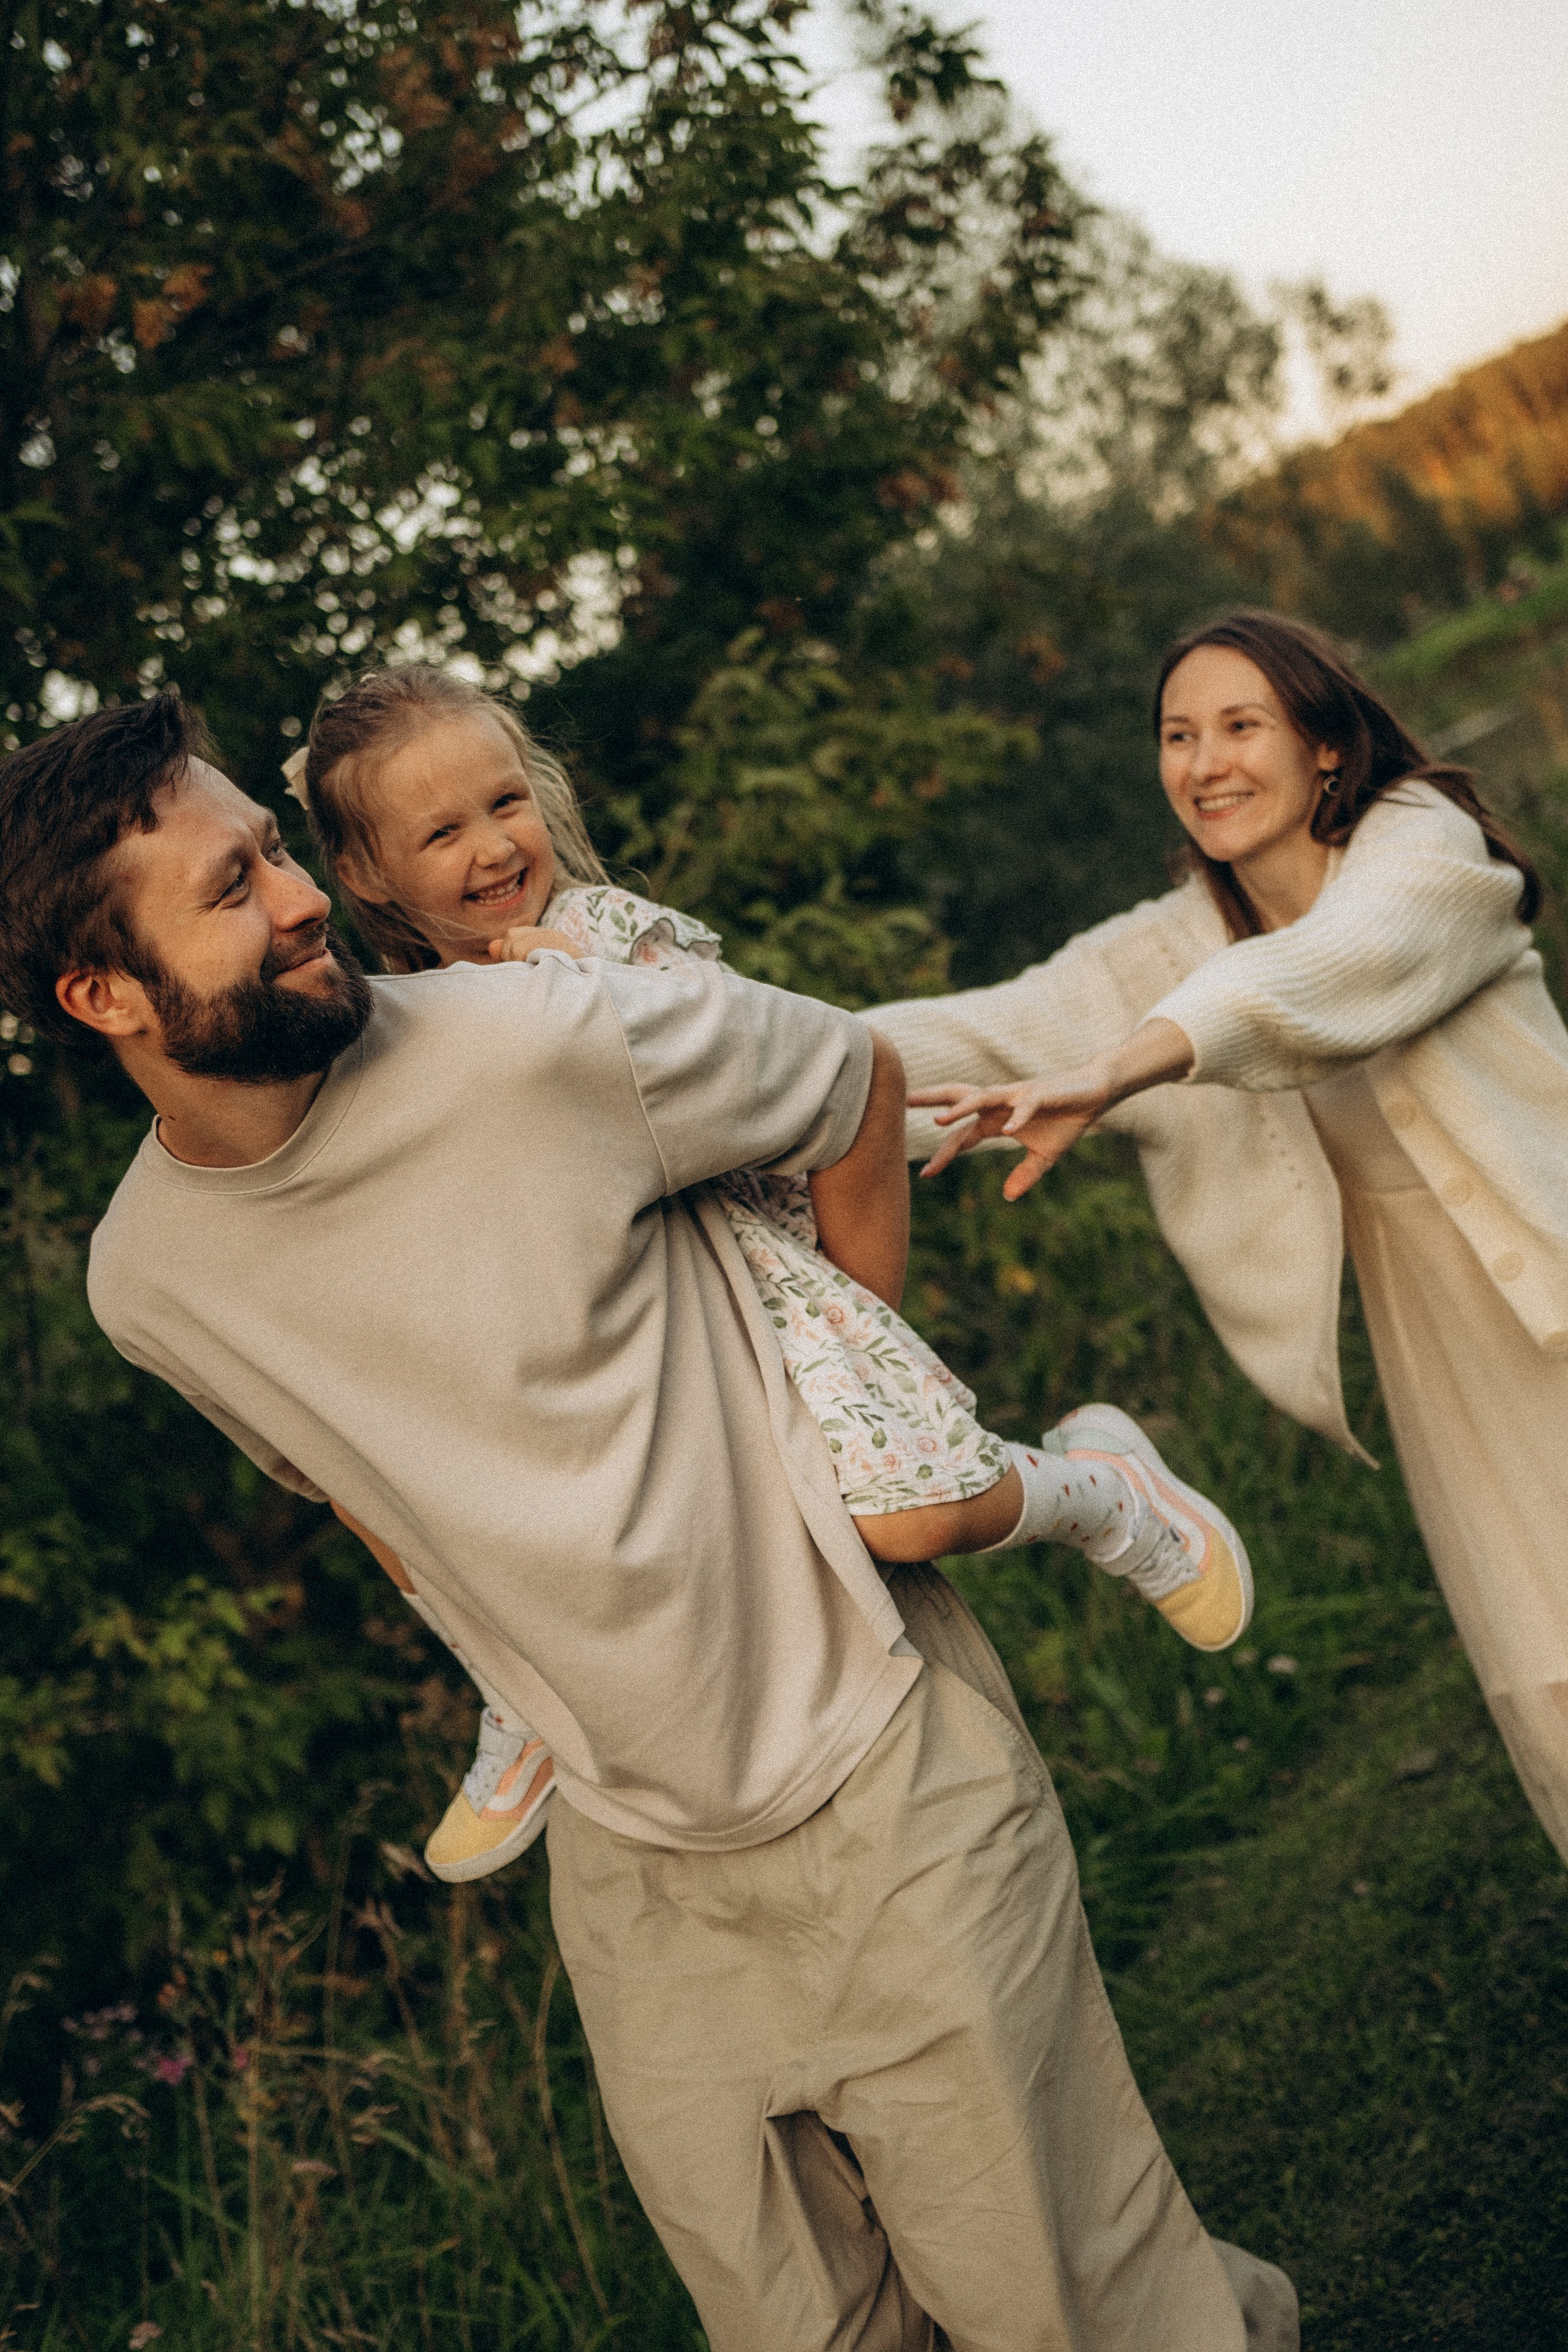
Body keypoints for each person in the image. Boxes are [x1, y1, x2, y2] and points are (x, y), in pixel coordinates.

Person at [0, 692, 1298, 2351]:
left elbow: (857, 1086)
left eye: (275, 847)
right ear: (104, 994)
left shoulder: (547, 1034)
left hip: (878, 1761)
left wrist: (854, 1389)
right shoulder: (142, 1284)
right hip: (635, 1876)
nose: (305, 895)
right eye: (233, 886)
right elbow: (364, 1496)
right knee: (803, 2330)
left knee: (1064, 2304)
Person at [283, 663, 1252, 1884]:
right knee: (438, 1483)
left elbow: (770, 1051)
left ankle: (1102, 1491)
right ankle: (517, 1685)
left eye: (504, 802)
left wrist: (576, 996)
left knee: (911, 1520)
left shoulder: (592, 936)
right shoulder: (393, 1022)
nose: (492, 846)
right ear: (365, 872)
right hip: (579, 1319)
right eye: (441, 830)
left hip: (752, 1270)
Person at [869, 607, 1568, 1866]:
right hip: (1453, 1362)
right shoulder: (1165, 945)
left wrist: (1125, 1066)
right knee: (1547, 1677)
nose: (1203, 763)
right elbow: (978, 1032)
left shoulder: (1423, 845)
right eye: (1175, 736)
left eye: (1239, 726)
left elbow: (1328, 973)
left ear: (1323, 749)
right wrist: (730, 1051)